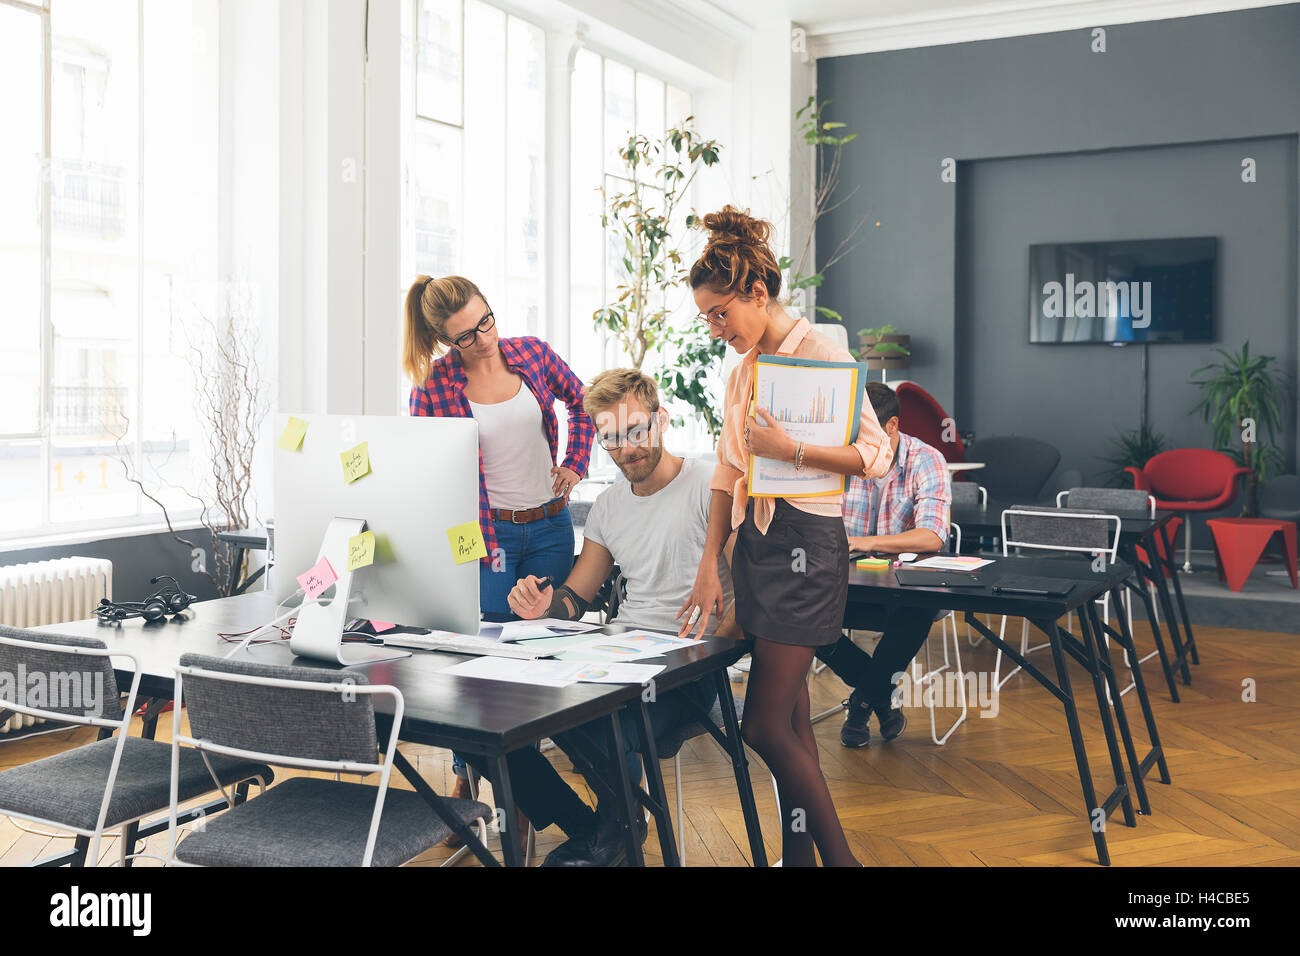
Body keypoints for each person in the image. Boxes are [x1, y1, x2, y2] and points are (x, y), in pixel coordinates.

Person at [680, 206, 893, 868]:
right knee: (793, 721)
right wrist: (712, 563)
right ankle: (798, 859)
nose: (715, 329)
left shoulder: (823, 356)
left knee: (763, 724)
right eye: (706, 317)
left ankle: (843, 863)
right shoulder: (742, 370)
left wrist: (792, 448)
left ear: (758, 294)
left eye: (722, 314)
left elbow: (875, 454)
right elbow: (726, 470)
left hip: (809, 546)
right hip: (757, 548)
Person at [499, 368, 739, 866]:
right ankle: (607, 827)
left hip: (689, 666)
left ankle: (611, 832)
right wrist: (548, 608)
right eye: (611, 437)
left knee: (596, 725)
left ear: (661, 421)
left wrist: (722, 647)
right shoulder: (609, 506)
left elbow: (753, 590)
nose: (626, 448)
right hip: (619, 656)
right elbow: (576, 595)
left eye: (636, 432)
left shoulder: (709, 485)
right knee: (500, 726)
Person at [404, 274, 595, 818]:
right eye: (466, 335)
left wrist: (575, 464)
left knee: (538, 653)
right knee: (482, 663)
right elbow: (431, 475)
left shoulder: (530, 354)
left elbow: (585, 402)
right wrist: (464, 554)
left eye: (485, 321)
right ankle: (471, 769)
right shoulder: (434, 387)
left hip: (551, 528)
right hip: (489, 539)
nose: (482, 338)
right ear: (445, 340)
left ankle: (520, 793)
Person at [815, 381, 953, 747]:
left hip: (906, 590)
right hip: (851, 586)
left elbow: (932, 537)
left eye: (868, 433)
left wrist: (864, 543)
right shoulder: (846, 460)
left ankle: (860, 704)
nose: (860, 445)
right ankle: (880, 698)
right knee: (802, 613)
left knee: (916, 612)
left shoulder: (927, 460)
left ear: (893, 426)